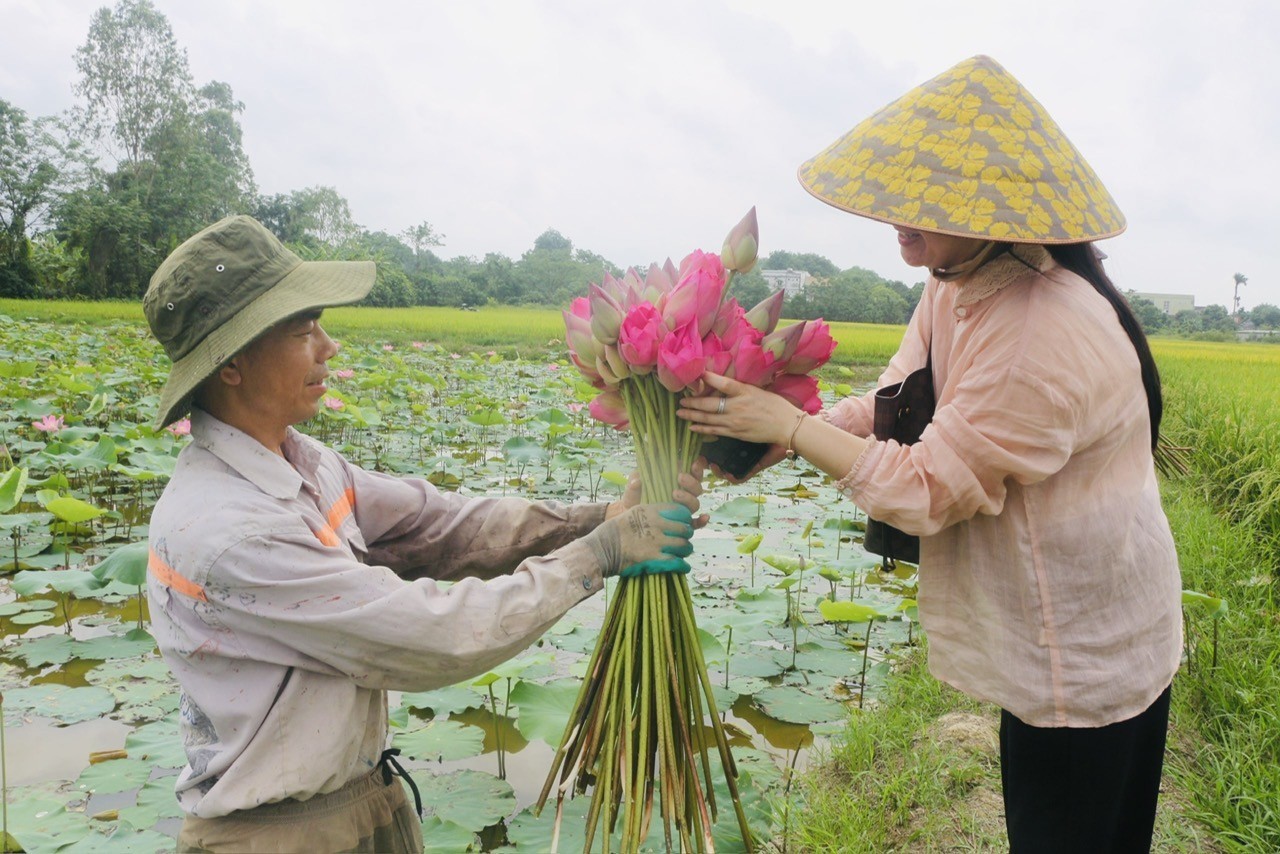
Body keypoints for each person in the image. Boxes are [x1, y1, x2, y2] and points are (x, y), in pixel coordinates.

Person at [679, 55, 1181, 853]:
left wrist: (792, 422)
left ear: (993, 213)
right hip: (1054, 627)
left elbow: (927, 489)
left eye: (927, 203)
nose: (899, 219)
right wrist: (755, 440)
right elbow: (893, 406)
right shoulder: (956, 277)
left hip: (1086, 643)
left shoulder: (1038, 325)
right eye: (899, 199)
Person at [142, 214, 704, 853]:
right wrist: (598, 556)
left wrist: (593, 519)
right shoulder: (230, 533)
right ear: (233, 365)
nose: (329, 347)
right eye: (304, 332)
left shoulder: (304, 462)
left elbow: (439, 524)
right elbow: (430, 634)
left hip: (359, 800)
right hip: (280, 835)